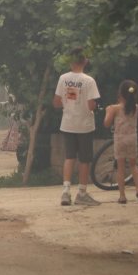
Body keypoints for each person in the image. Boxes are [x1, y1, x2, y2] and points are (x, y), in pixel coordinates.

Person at [53, 47, 101, 206]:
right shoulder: (89, 81)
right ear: (85, 61)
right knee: (84, 159)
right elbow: (91, 105)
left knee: (69, 157)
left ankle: (65, 192)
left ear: (70, 61)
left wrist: (69, 102)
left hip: (68, 124)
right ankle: (81, 193)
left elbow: (57, 102)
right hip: (84, 125)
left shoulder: (63, 79)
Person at [103, 79, 138, 204]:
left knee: (121, 167)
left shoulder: (114, 108)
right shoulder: (136, 108)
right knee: (134, 165)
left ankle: (122, 195)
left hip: (120, 139)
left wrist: (108, 111)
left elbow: (106, 123)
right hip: (132, 138)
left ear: (120, 93)